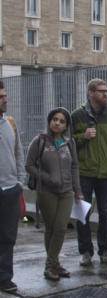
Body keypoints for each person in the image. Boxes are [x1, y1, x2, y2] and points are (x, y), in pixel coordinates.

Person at [25, 107, 83, 280]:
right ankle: (52, 265)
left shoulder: (70, 142)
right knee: (51, 228)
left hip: (66, 192)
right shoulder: (40, 141)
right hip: (47, 192)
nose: (57, 123)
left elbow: (74, 167)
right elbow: (29, 165)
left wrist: (78, 191)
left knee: (60, 227)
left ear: (66, 126)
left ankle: (51, 264)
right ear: (50, 121)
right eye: (54, 120)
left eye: (61, 121)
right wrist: (47, 177)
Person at [71, 78, 107, 267]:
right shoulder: (77, 116)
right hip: (84, 172)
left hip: (105, 173)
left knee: (105, 213)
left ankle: (105, 250)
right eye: (102, 91)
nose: (105, 94)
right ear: (91, 93)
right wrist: (82, 137)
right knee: (82, 213)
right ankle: (85, 252)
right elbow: (69, 143)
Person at [0, 80, 25, 293]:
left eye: (5, 95)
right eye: (1, 97)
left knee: (8, 237)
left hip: (10, 189)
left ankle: (5, 278)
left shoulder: (10, 123)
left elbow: (18, 153)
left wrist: (20, 181)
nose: (5, 99)